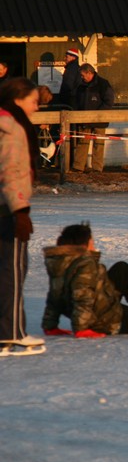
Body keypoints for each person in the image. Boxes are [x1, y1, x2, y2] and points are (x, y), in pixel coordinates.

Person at [41, 224, 128, 337]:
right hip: (106, 320)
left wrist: (50, 326)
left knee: (121, 269)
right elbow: (83, 298)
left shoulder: (60, 262)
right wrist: (81, 329)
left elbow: (54, 297)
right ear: (84, 245)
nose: (93, 244)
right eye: (91, 241)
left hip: (100, 305)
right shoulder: (85, 264)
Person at [0, 78, 45, 356]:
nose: (36, 108)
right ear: (18, 100)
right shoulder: (13, 127)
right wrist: (20, 211)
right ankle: (11, 333)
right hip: (6, 209)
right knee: (12, 270)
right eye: (34, 101)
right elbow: (10, 171)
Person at [72, 63, 114, 173]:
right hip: (84, 119)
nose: (82, 78)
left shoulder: (103, 84)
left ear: (89, 73)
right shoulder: (81, 85)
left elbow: (109, 101)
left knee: (98, 143)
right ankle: (78, 166)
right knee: (82, 141)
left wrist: (98, 115)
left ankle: (97, 168)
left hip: (100, 120)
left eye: (83, 75)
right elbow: (76, 101)